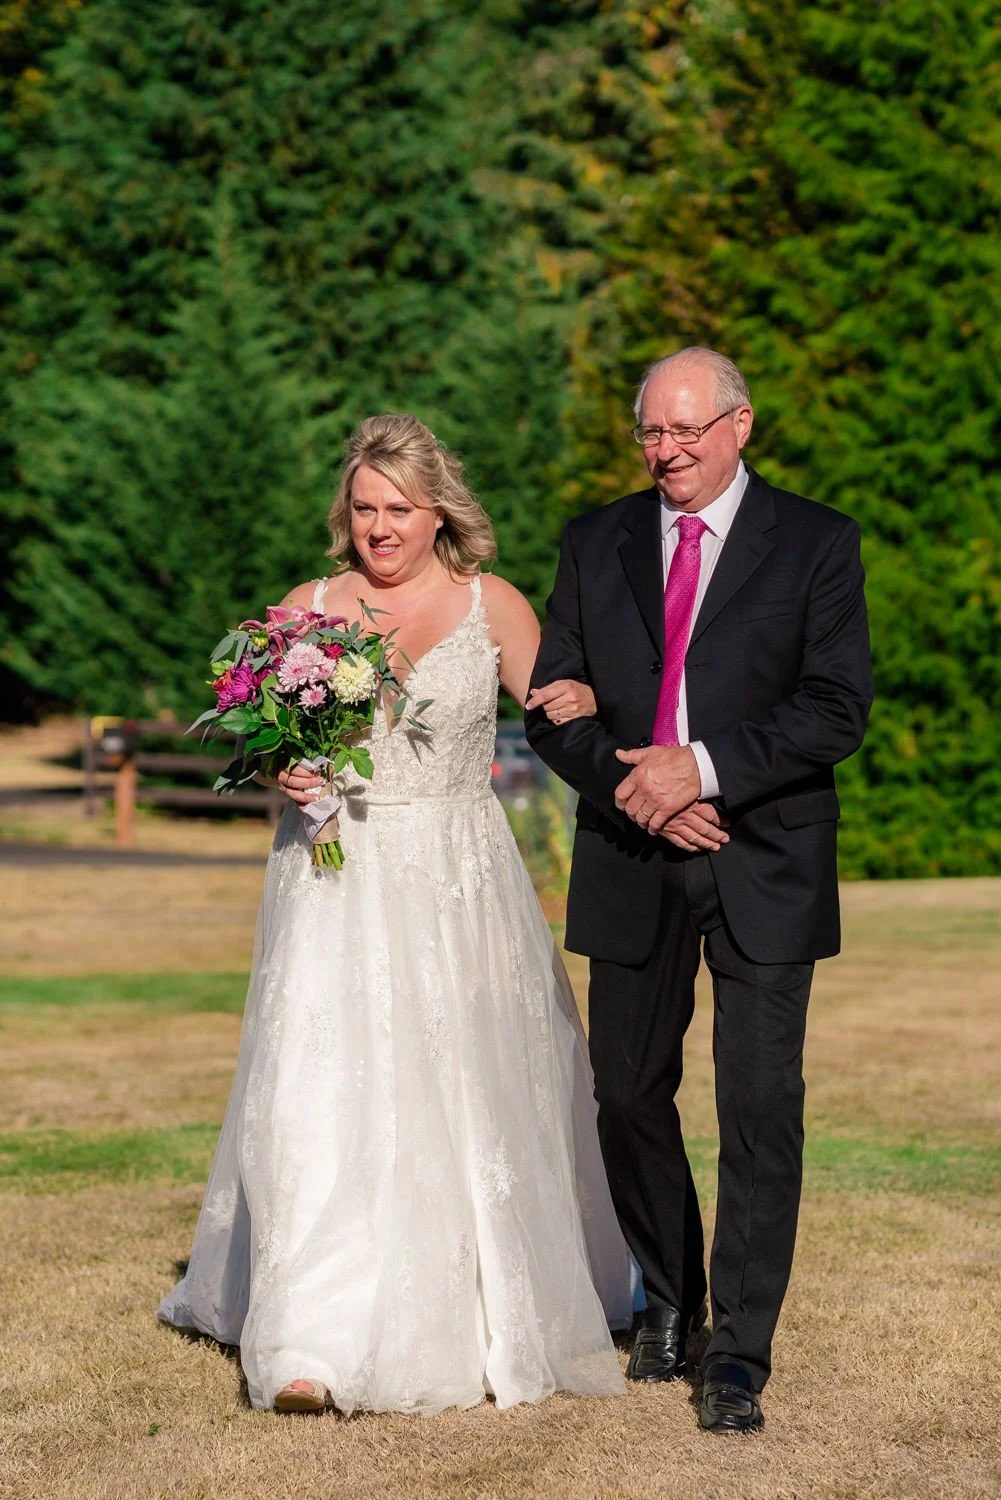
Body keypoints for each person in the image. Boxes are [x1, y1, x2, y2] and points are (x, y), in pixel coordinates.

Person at [158, 413, 632, 1415]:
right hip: (331, 876)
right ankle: (309, 1341)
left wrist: (609, 733)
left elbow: (557, 717)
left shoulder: (488, 604)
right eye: (364, 508)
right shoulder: (307, 606)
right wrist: (279, 766)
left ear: (437, 511)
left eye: (399, 510)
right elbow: (263, 736)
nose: (380, 528)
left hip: (458, 879)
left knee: (465, 1082)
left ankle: (486, 1302)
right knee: (318, 1090)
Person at [526, 347, 872, 1433]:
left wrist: (703, 766)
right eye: (651, 434)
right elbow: (551, 705)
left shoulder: (814, 542)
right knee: (624, 1092)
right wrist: (641, 790)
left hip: (762, 854)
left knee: (759, 1105)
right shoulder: (597, 541)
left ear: (739, 427)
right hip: (632, 854)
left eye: (686, 431)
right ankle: (668, 1294)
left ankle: (736, 1355)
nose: (666, 452)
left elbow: (832, 708)